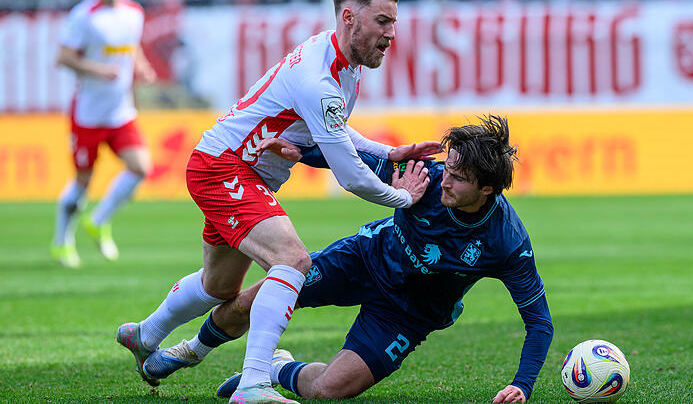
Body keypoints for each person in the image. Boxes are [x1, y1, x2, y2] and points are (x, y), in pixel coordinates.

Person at [115, 0, 440, 404]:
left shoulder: (340, 62)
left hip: (237, 170)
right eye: (383, 21)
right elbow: (351, 177)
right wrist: (403, 198)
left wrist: (388, 152)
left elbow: (336, 132)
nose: (391, 34)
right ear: (349, 17)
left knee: (220, 287)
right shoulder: (318, 79)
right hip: (224, 168)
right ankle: (252, 385)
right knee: (292, 259)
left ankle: (146, 333)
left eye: (393, 23)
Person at [147, 116, 553, 404]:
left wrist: (523, 384)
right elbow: (348, 159)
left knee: (329, 390)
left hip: (410, 312)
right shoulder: (423, 175)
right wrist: (299, 151)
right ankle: (190, 350)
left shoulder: (507, 242)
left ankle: (275, 369)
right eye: (447, 168)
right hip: (362, 258)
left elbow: (539, 322)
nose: (444, 179)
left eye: (458, 178)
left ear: (487, 190)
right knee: (251, 301)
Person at [51, 0, 157, 268]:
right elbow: (63, 58)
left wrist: (142, 66)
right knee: (82, 183)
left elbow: (131, 47)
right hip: (88, 114)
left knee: (141, 167)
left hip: (120, 111)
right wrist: (99, 70)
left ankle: (98, 220)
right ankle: (61, 241)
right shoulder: (84, 16)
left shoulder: (134, 13)